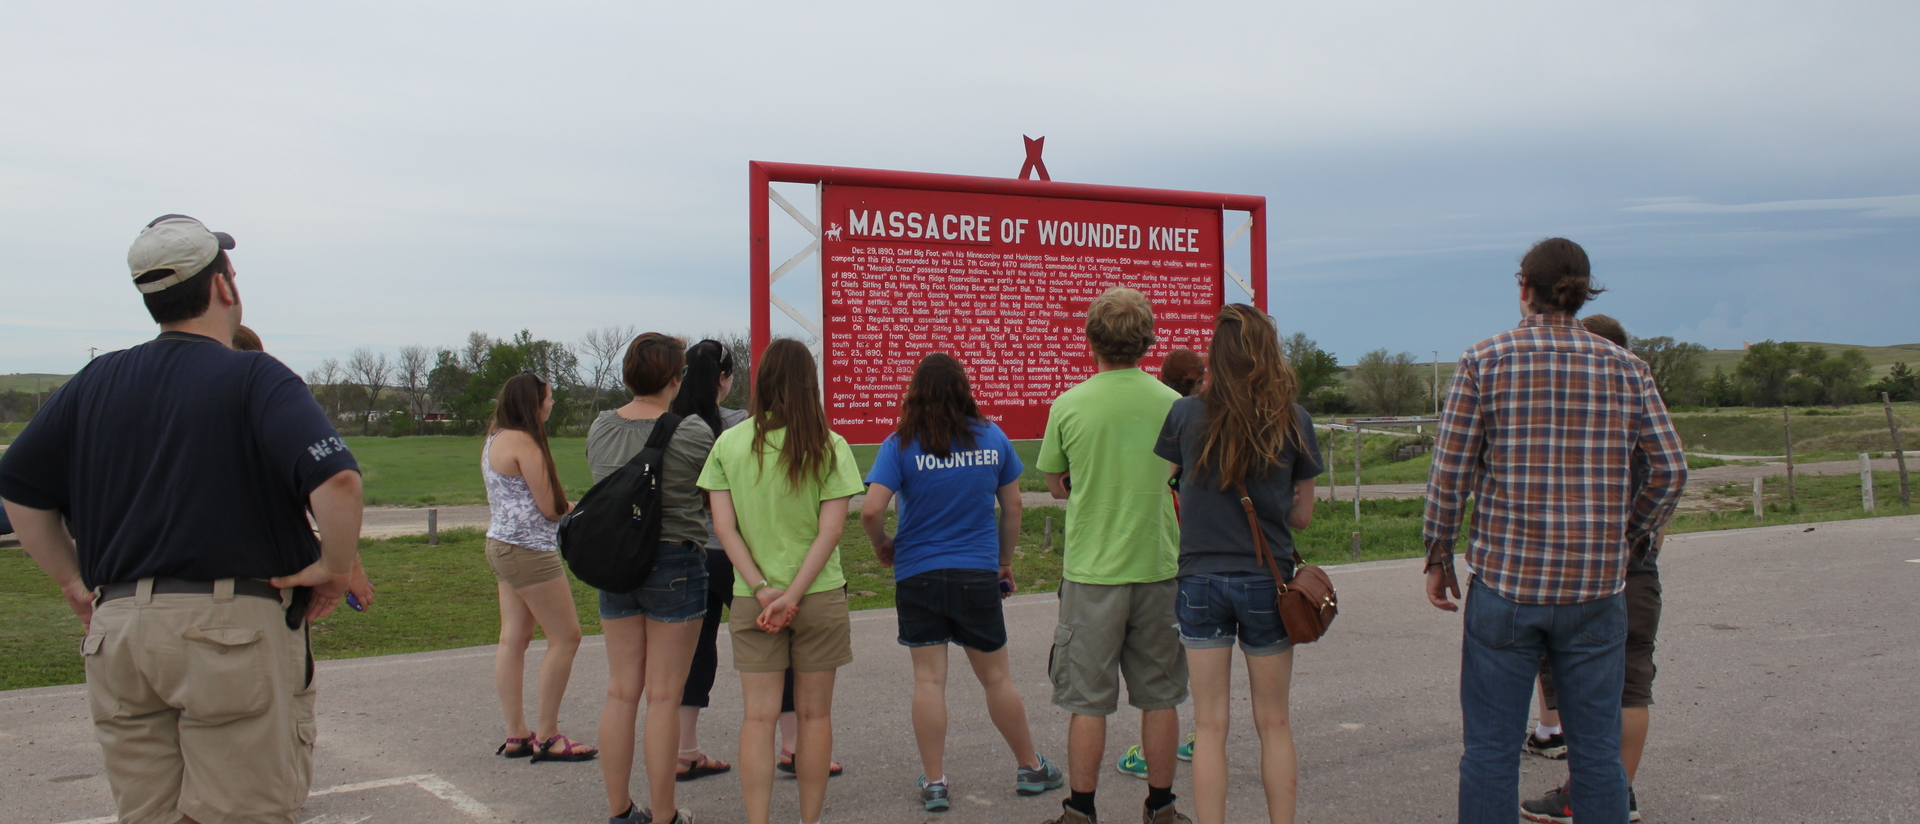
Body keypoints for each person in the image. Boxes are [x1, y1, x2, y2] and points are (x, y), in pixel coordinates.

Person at [0, 214, 370, 824]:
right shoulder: (256, 376)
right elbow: (337, 480)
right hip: (228, 632)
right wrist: (333, 565)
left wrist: (72, 580)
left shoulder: (94, 381)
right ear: (224, 286)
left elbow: (17, 487)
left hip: (120, 634)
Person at [1422, 239, 1686, 824]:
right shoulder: (1627, 368)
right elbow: (1671, 468)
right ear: (1583, 291)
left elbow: (1450, 472)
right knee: (1596, 753)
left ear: (1525, 289)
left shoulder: (1483, 361)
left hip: (1507, 583)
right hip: (1596, 587)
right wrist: (1629, 535)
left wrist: (1438, 553)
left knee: (1490, 750)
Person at [859, 352, 1065, 812]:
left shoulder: (900, 442)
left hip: (918, 573)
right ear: (964, 389)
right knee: (996, 678)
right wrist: (1004, 562)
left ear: (916, 392)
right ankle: (1030, 767)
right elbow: (1013, 508)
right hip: (977, 572)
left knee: (929, 681)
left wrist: (882, 544)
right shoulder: (993, 438)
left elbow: (871, 509)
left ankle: (935, 783)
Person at [1154, 305, 1321, 824]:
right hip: (1265, 582)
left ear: (1215, 357)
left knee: (1209, 726)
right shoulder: (1293, 418)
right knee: (1274, 723)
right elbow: (1302, 517)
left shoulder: (1185, 414)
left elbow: (1166, 480)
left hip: (1200, 580)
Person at [1036, 286, 1192, 824]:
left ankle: (1080, 809)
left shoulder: (1069, 405)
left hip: (1092, 571)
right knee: (1160, 694)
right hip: (1158, 564)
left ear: (1090, 341)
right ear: (1148, 342)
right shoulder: (1175, 405)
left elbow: (1057, 484)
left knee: (1086, 700)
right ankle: (1161, 805)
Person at [698, 338, 864, 824]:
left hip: (754, 599)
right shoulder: (830, 445)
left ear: (761, 381)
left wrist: (765, 588)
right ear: (809, 384)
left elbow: (723, 528)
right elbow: (831, 531)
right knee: (814, 718)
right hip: (819, 597)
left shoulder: (729, 444)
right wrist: (793, 594)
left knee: (758, 718)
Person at [1521, 313, 1670, 824]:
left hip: (1583, 569)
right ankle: (1616, 791)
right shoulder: (1640, 408)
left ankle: (1584, 792)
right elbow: (1667, 479)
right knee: (1631, 686)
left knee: (1584, 686)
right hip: (1638, 567)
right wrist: (1638, 537)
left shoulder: (1579, 419)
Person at [590, 333, 717, 824]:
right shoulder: (691, 432)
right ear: (674, 378)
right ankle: (665, 813)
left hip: (616, 562)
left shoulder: (601, 427)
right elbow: (709, 498)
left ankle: (620, 809)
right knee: (664, 695)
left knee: (622, 690)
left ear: (626, 376)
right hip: (674, 561)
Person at [483, 372, 597, 764]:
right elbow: (550, 507)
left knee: (513, 637)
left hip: (501, 544)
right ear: (534, 403)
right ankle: (548, 734)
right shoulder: (525, 442)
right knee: (567, 636)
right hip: (529, 550)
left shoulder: (495, 437)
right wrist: (589, 511)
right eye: (548, 399)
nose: (551, 404)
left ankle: (517, 733)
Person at [672, 339, 748, 783]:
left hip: (688, 551)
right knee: (773, 648)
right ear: (724, 378)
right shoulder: (737, 424)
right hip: (732, 550)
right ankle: (794, 744)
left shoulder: (671, 422)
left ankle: (685, 749)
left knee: (694, 653)